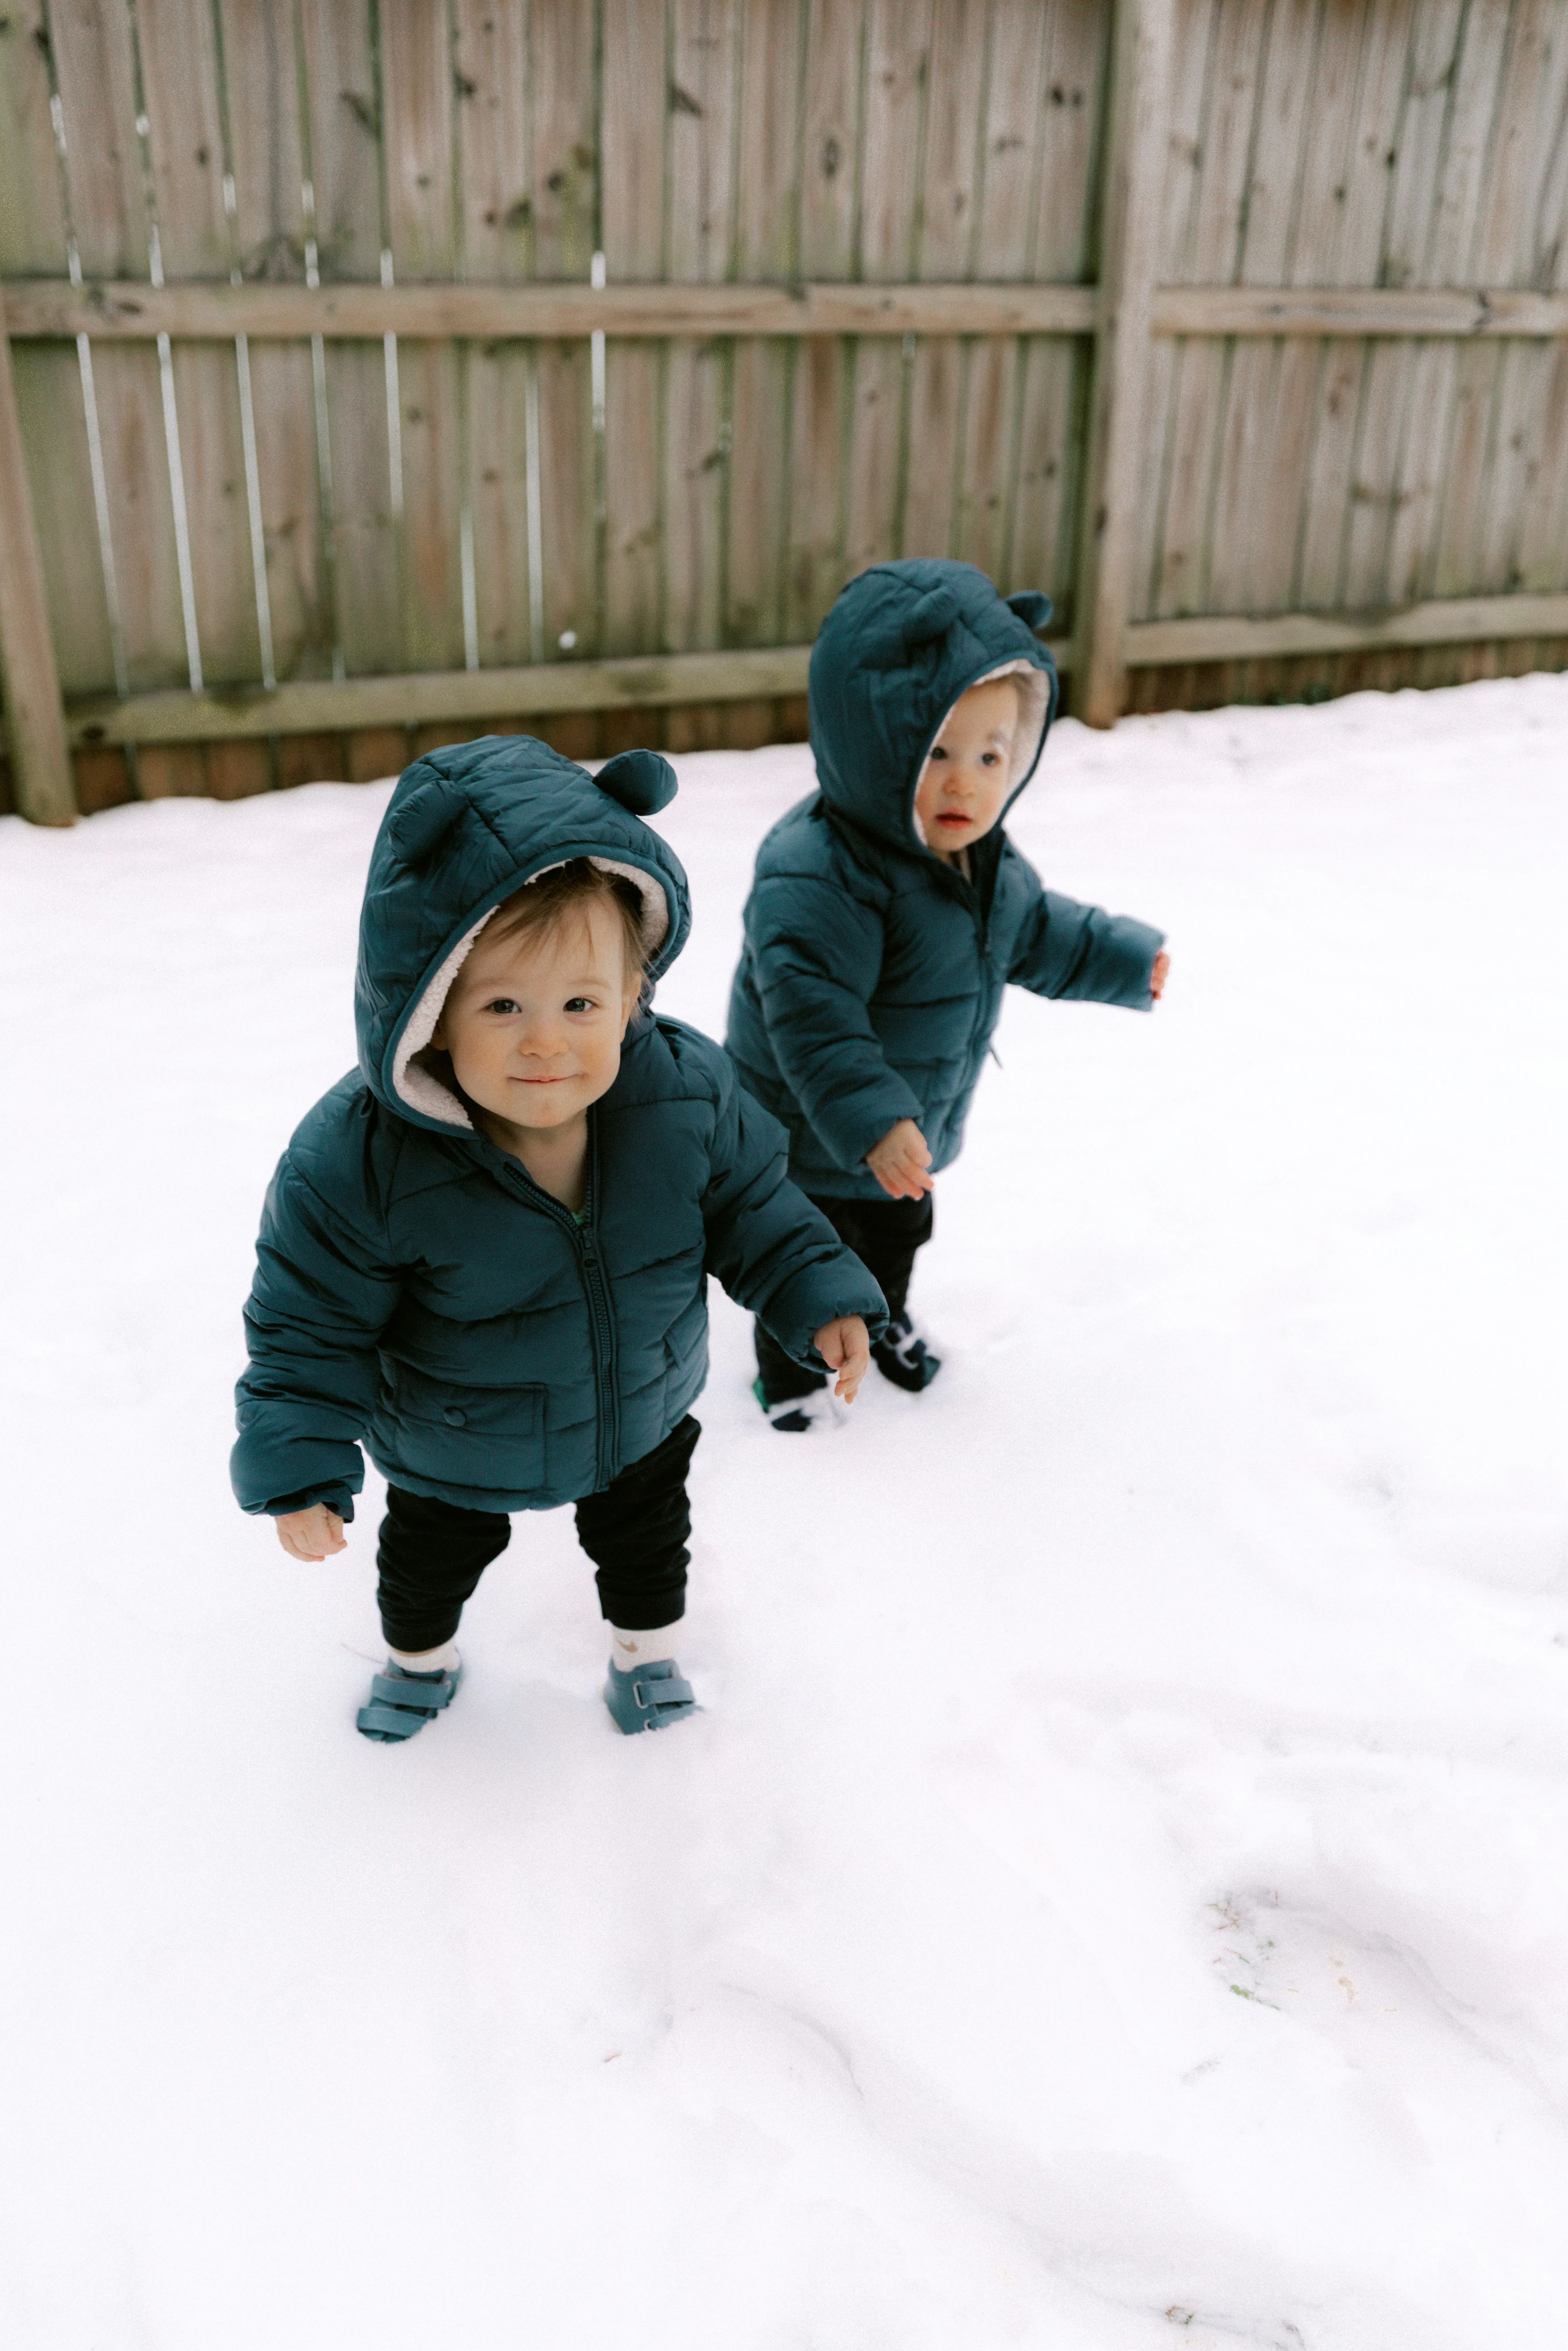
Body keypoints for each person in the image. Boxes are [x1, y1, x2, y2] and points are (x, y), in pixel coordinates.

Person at [232, 738, 882, 1740]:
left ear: (633, 996)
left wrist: (819, 1289)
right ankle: (419, 1662)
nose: (548, 1042)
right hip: (453, 1445)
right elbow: (307, 1327)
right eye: (503, 1006)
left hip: (639, 1414)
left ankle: (645, 1656)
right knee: (427, 1567)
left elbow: (758, 1207)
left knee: (649, 1549)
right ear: (431, 1011)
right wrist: (301, 1462)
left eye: (582, 1003)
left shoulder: (685, 1094)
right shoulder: (361, 1161)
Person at [725, 558, 1169, 1430]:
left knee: (897, 1239)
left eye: (991, 755)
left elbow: (1039, 932)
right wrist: (875, 1123)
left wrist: (1122, 961)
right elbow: (814, 1022)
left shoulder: (981, 863)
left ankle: (883, 1323)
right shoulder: (815, 874)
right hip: (810, 1129)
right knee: (809, 1258)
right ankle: (791, 1373)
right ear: (871, 741)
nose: (967, 782)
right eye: (936, 753)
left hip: (908, 1132)